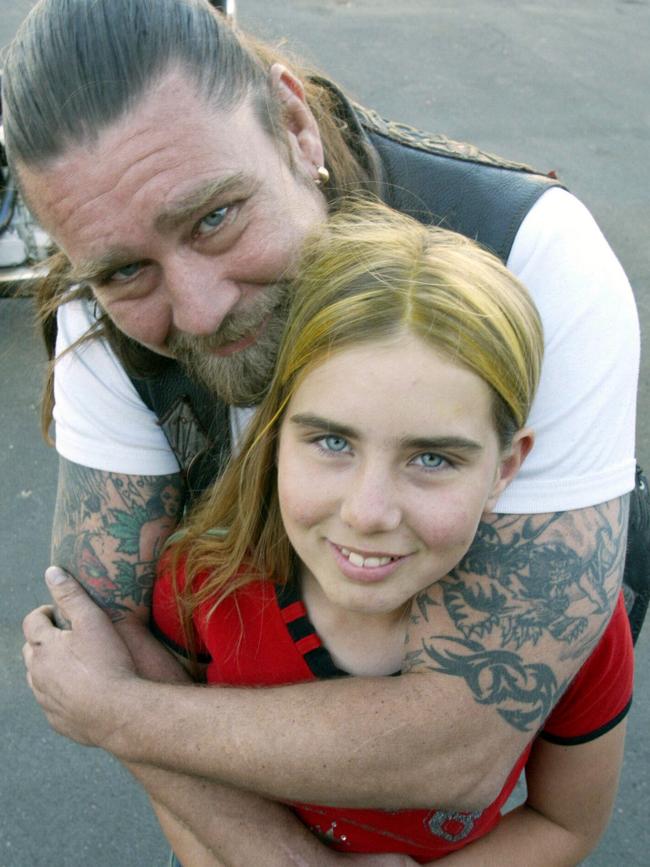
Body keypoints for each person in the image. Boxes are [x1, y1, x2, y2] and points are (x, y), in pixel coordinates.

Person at [3, 0, 640, 855]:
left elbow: (462, 739)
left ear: (296, 126)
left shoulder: (531, 258)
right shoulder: (103, 329)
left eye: (216, 217)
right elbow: (109, 635)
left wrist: (117, 711)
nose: (200, 309)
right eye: (125, 270)